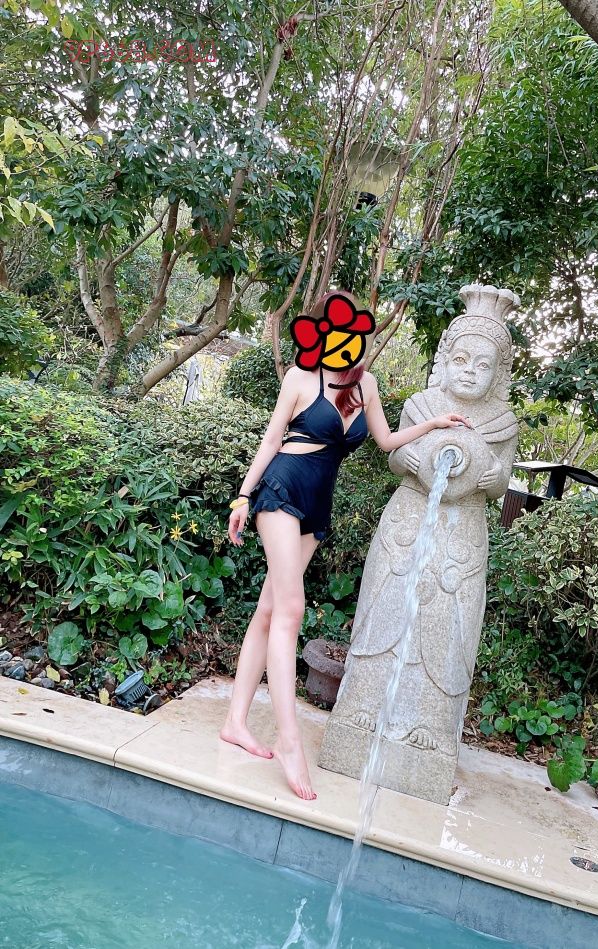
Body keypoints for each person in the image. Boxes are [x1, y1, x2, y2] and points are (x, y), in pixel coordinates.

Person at [220, 289, 472, 801]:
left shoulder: (365, 385)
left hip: (317, 505)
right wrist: (243, 496)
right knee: (290, 610)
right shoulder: (300, 378)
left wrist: (433, 424)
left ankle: (235, 723)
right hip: (281, 490)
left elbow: (385, 442)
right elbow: (272, 441)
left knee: (269, 611)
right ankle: (289, 741)